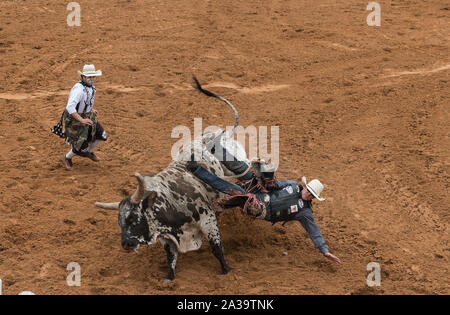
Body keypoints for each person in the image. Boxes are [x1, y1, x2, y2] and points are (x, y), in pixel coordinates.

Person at [186, 153, 342, 265]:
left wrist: (324, 250)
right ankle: (217, 148)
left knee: (236, 191)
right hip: (259, 193)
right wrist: (265, 178)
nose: (308, 194)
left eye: (311, 195)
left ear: (314, 198)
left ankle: (196, 170)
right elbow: (274, 185)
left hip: (262, 210)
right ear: (306, 187)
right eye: (309, 191)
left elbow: (314, 230)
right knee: (245, 171)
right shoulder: (293, 186)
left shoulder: (305, 212)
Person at [61, 64, 107, 171]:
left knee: (101, 135)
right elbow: (70, 107)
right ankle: (67, 158)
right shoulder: (79, 90)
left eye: (93, 77)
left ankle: (89, 152)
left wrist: (91, 109)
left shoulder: (90, 87)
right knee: (81, 146)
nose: (91, 79)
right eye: (89, 77)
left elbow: (85, 102)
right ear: (83, 77)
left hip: (86, 115)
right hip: (75, 119)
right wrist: (81, 120)